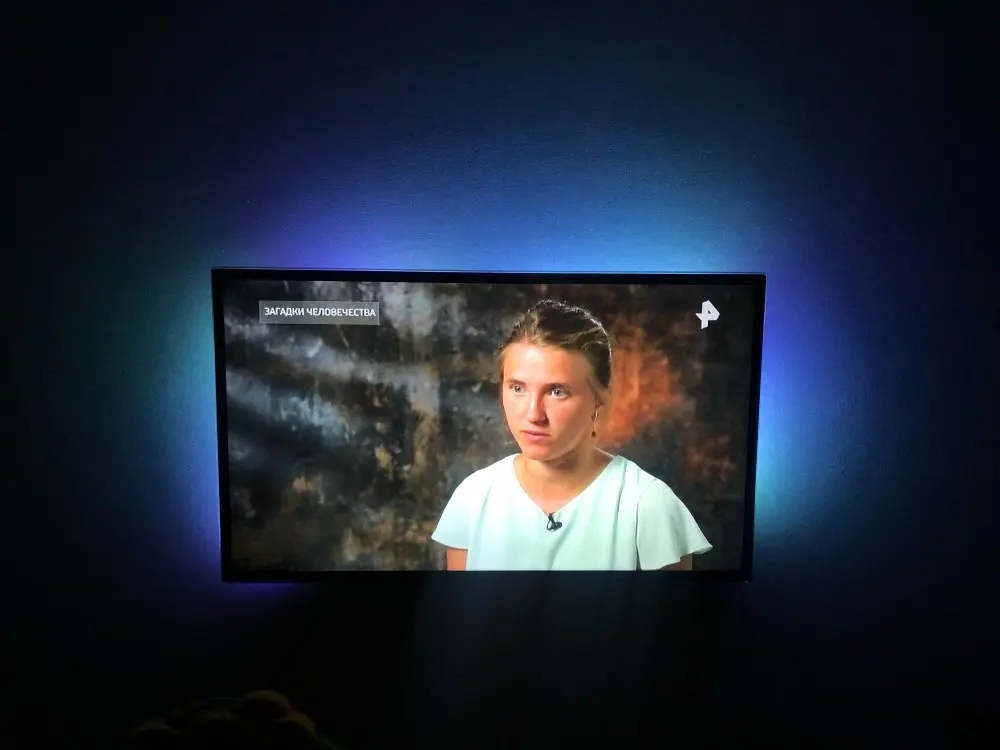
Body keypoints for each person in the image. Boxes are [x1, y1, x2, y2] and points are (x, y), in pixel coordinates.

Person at [431, 299, 712, 571]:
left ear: (599, 399)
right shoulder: (474, 497)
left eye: (557, 391)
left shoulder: (647, 505)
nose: (533, 414)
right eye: (518, 388)